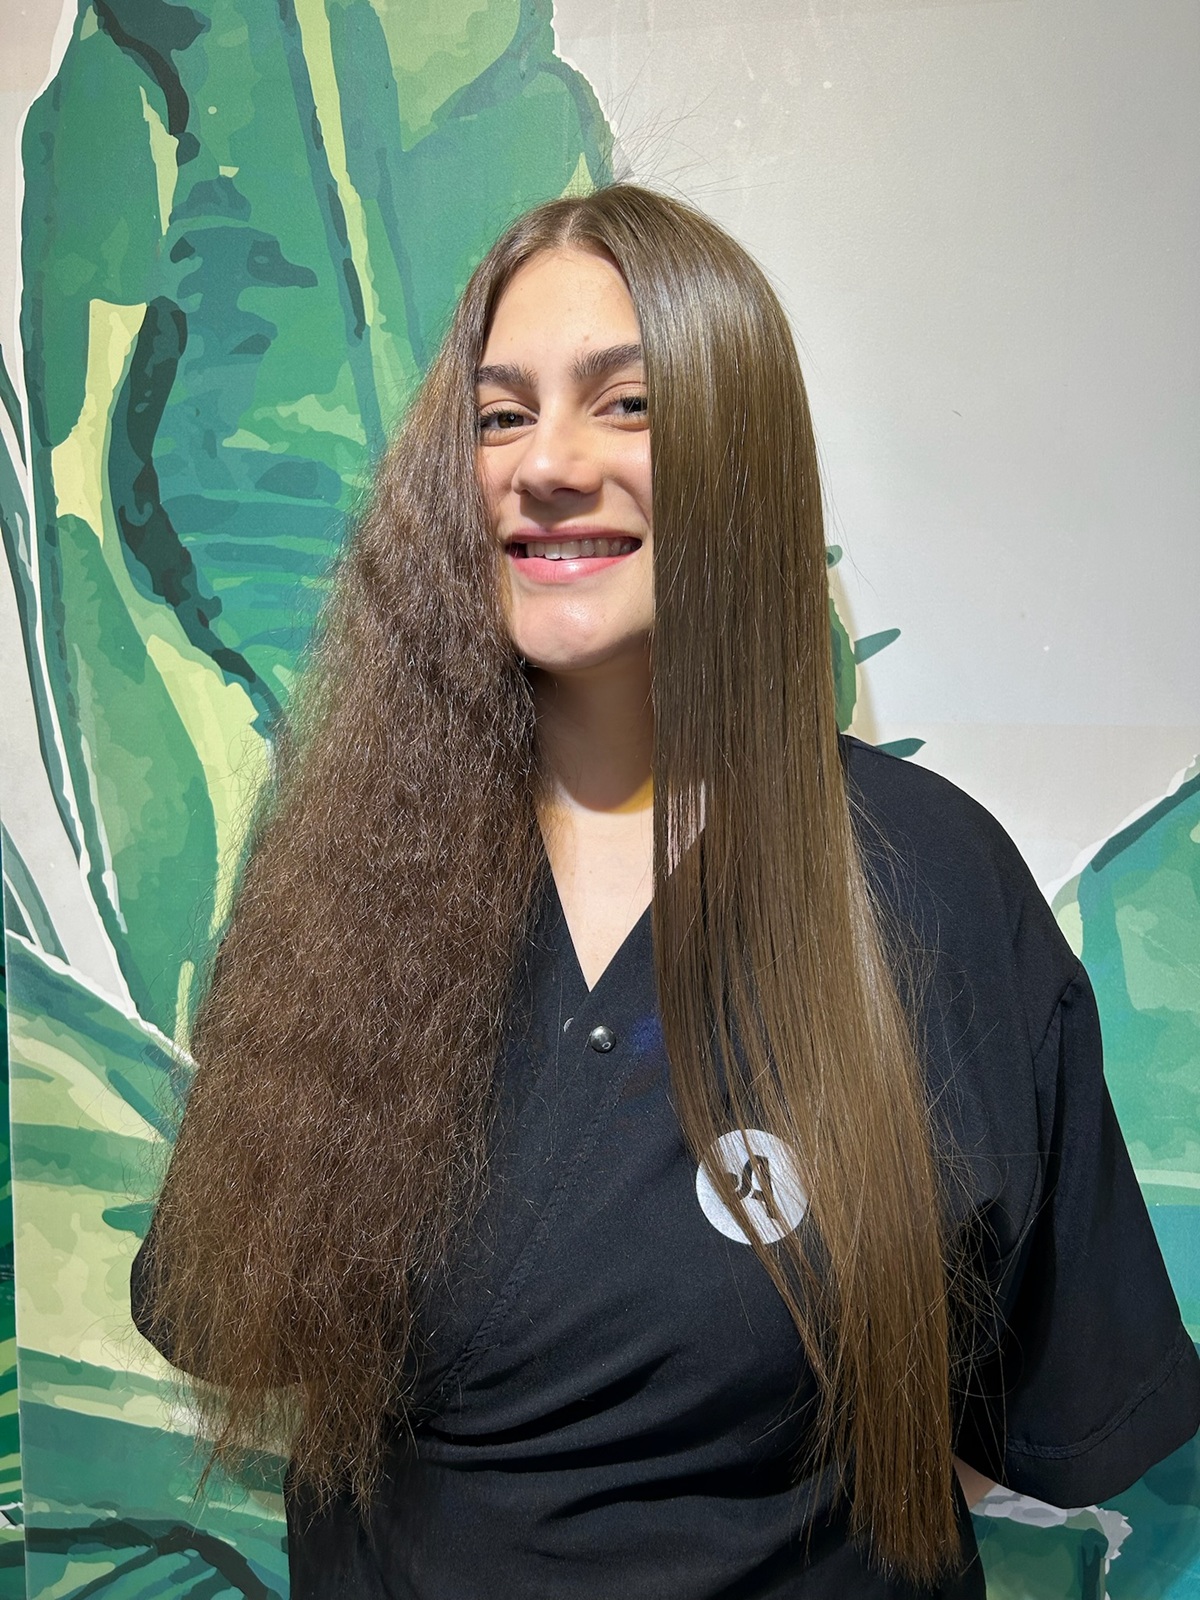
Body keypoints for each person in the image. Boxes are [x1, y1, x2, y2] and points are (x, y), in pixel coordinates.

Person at [131, 183, 1200, 1599]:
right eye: (500, 416)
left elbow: (1064, 1406)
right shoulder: (341, 882)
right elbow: (227, 1313)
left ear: (740, 451)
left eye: (626, 405)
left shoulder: (937, 890)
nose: (546, 463)